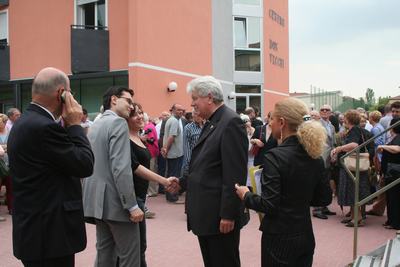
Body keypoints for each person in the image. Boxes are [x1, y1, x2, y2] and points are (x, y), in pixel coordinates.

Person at [7, 67, 94, 267]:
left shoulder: (25, 122)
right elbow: (84, 164)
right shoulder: (45, 127)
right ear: (61, 93)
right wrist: (74, 124)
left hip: (35, 234)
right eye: (70, 93)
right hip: (50, 238)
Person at [82, 86, 177, 267]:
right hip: (117, 204)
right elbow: (121, 168)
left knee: (105, 255)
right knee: (130, 258)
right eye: (128, 101)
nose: (131, 106)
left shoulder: (97, 123)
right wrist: (132, 205)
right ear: (114, 100)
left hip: (98, 203)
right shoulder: (117, 123)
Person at [235, 97, 332, 267]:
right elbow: (323, 199)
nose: (269, 123)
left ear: (282, 122)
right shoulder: (314, 156)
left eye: (272, 118)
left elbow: (269, 205)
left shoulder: (275, 157)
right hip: (305, 234)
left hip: (280, 238)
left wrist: (246, 195)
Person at [178, 76, 249, 267]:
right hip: (209, 216)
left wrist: (228, 214)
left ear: (209, 97)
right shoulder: (214, 121)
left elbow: (234, 175)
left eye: (195, 98)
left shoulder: (230, 122)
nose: (192, 104)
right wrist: (182, 183)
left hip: (220, 218)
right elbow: (206, 166)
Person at [127, 103, 178, 266]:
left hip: (140, 197)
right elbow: (135, 167)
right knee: (136, 248)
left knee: (140, 246)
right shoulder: (125, 139)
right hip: (133, 198)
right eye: (135, 114)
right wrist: (163, 181)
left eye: (141, 112)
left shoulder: (138, 137)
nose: (140, 116)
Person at [331, 109, 371, 227]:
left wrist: (339, 148)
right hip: (354, 167)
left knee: (354, 191)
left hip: (353, 167)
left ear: (348, 119)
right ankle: (354, 217)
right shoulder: (357, 130)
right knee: (353, 191)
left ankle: (357, 218)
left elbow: (354, 145)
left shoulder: (354, 130)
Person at [313, 104, 336, 220]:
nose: (325, 111)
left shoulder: (331, 126)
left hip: (329, 157)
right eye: (322, 109)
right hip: (319, 156)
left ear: (331, 113)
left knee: (326, 183)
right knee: (318, 182)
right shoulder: (316, 124)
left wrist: (334, 153)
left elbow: (333, 142)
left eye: (327, 110)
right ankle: (317, 209)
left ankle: (324, 206)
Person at [378, 118, 400, 230]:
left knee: (394, 198)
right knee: (391, 198)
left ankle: (395, 222)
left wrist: (383, 147)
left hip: (394, 172)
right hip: (391, 172)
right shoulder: (394, 137)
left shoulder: (398, 137)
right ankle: (391, 220)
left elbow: (397, 149)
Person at [161, 103, 185, 203]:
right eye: (178, 110)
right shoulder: (174, 121)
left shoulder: (170, 120)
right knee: (174, 176)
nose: (181, 112)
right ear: (173, 110)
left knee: (170, 174)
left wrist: (165, 149)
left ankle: (169, 196)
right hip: (175, 153)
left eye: (182, 110)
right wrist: (166, 149)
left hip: (173, 152)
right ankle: (172, 197)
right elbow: (171, 137)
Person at [0, 113, 12, 216]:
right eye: (3, 122)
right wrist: (4, 148)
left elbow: (11, 145)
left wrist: (3, 147)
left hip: (9, 163)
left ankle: (11, 208)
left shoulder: (10, 132)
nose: (4, 124)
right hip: (0, 164)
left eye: (5, 122)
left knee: (10, 186)